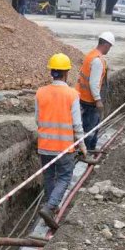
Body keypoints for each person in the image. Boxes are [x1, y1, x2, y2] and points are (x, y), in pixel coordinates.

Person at [35, 53, 88, 230]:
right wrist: (83, 146)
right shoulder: (72, 94)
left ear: (52, 72)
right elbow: (77, 125)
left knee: (49, 176)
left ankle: (51, 206)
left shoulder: (40, 93)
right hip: (64, 148)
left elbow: (37, 119)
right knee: (65, 176)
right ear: (66, 73)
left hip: (44, 147)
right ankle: (50, 207)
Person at [76, 31, 114, 152]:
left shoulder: (90, 55)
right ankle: (87, 151)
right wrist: (98, 100)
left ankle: (85, 148)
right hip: (91, 101)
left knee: (87, 126)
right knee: (90, 128)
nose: (109, 49)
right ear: (106, 45)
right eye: (110, 47)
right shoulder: (97, 61)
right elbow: (93, 83)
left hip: (83, 97)